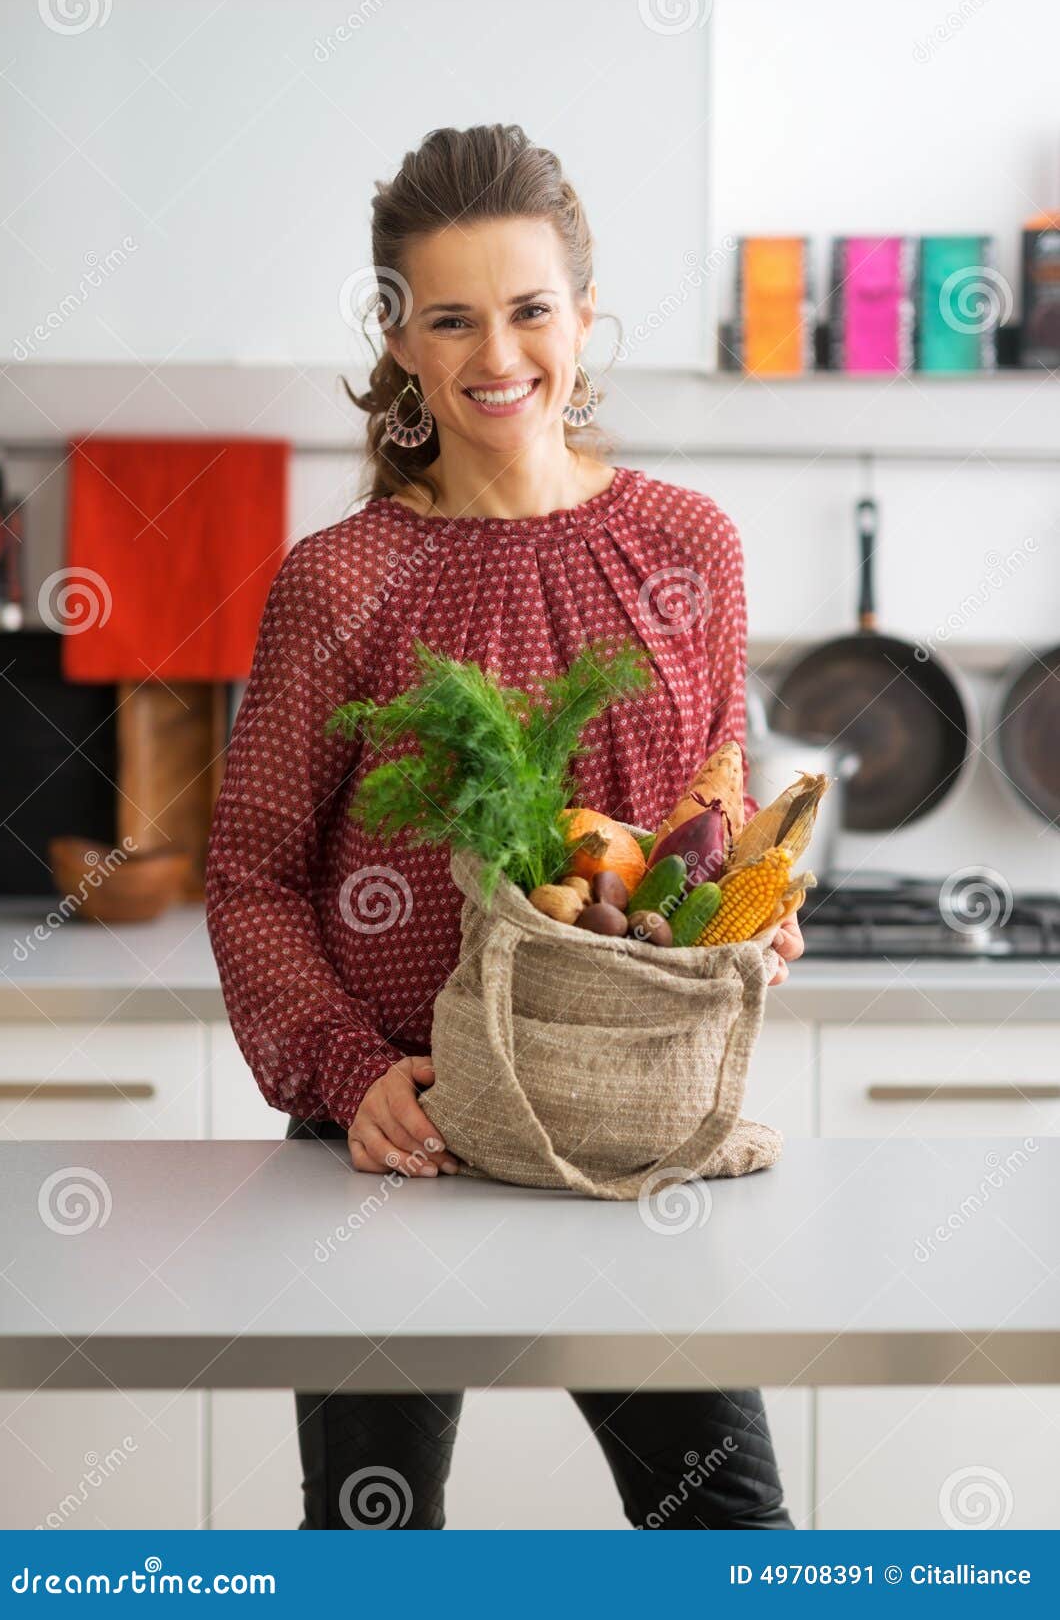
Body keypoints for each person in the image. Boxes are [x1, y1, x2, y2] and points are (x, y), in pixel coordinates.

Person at [205, 123, 804, 1531]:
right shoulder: (337, 580)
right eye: (452, 318)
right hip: (400, 1134)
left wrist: (750, 925)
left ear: (585, 317)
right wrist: (352, 1076)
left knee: (729, 1541)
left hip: (629, 1127)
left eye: (531, 309)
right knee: (376, 1549)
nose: (498, 353)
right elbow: (251, 876)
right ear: (400, 341)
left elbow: (709, 816)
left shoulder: (689, 547)